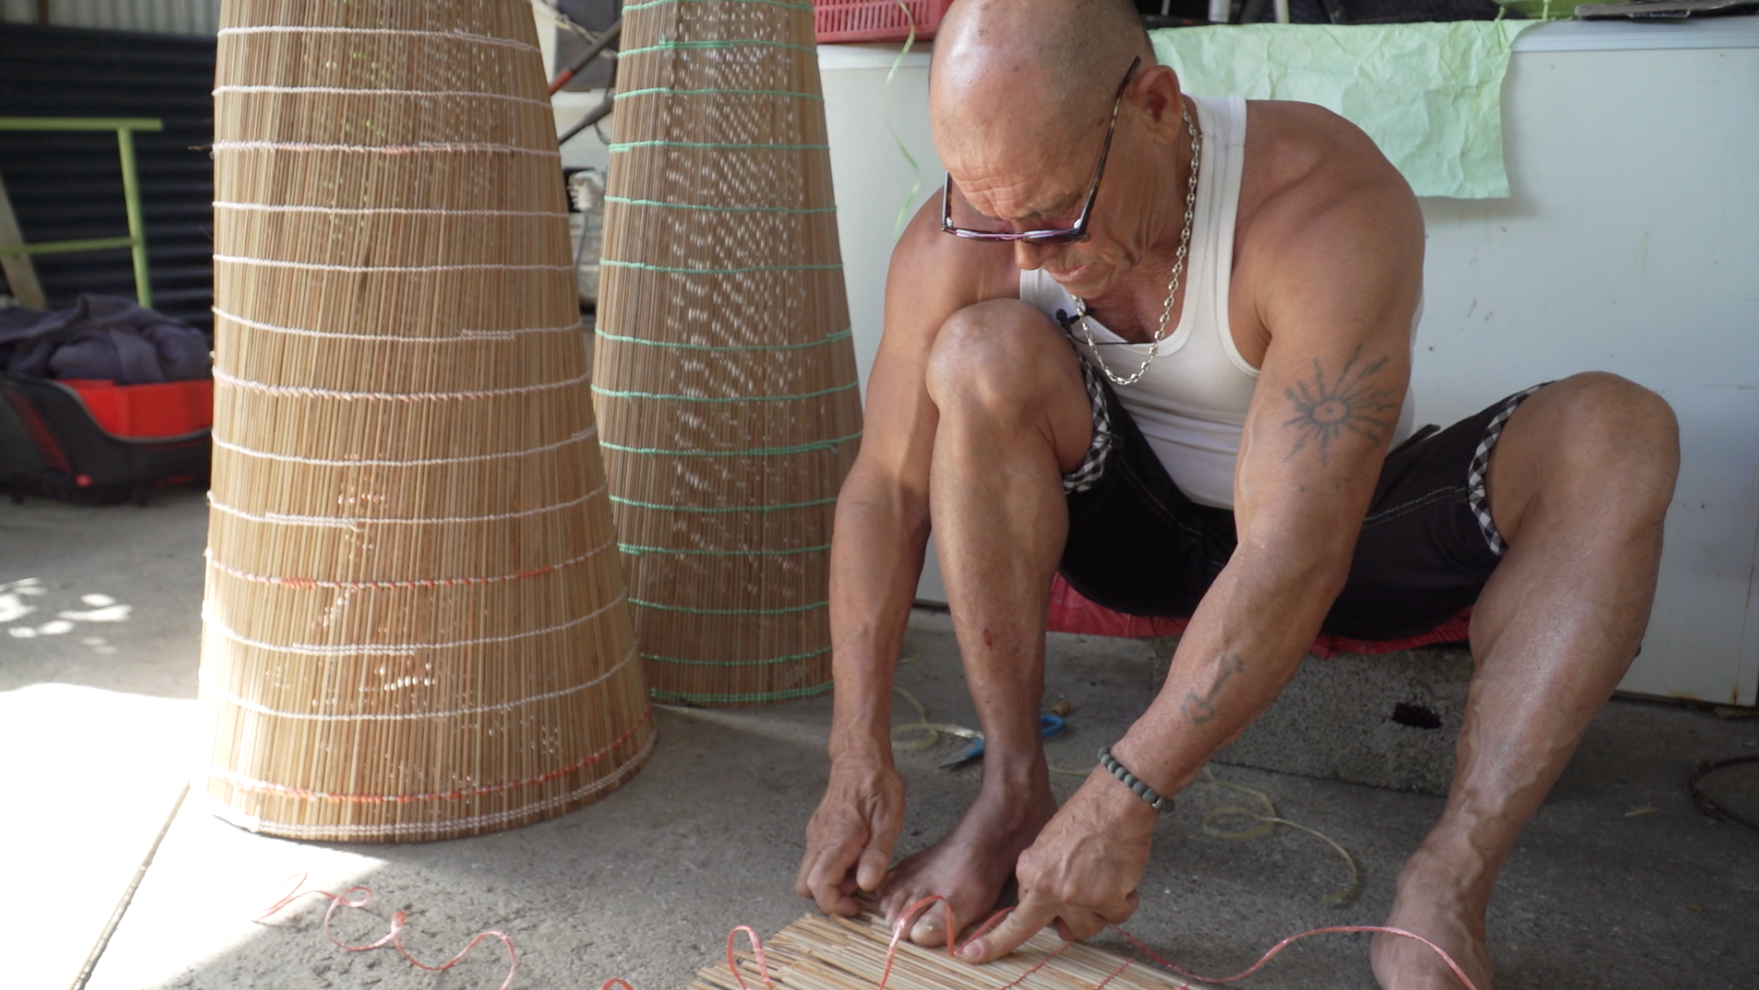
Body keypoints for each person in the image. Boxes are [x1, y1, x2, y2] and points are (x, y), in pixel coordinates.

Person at [794, 0, 1680, 987]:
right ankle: (1010, 790)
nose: (1023, 256)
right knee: (976, 350)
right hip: (1129, 534)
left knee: (1618, 434)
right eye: (986, 212)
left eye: (1053, 214)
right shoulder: (974, 234)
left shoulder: (1318, 200)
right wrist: (854, 753)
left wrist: (1122, 797)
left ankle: (1447, 881)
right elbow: (885, 484)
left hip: (1337, 538)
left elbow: (1294, 550)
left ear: (1156, 106)